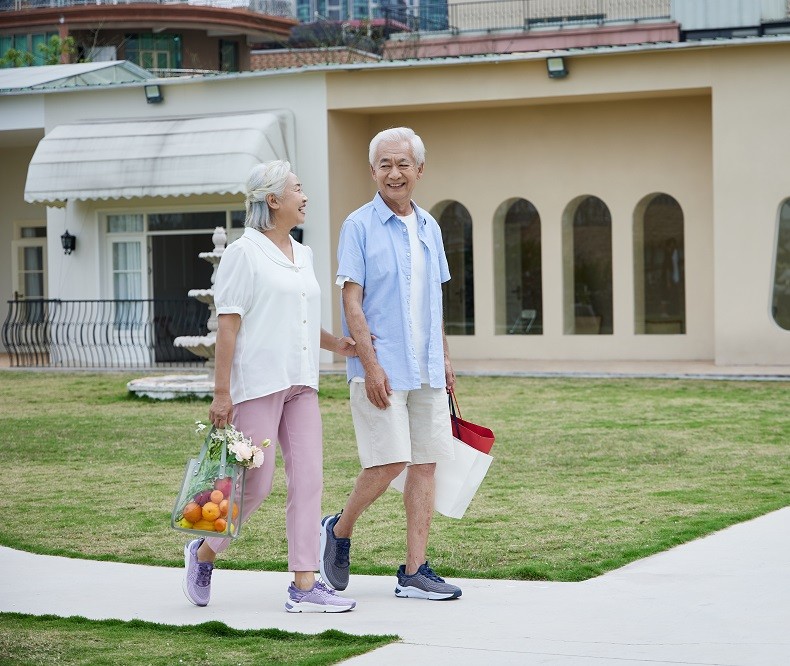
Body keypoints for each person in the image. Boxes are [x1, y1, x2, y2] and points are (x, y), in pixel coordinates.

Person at [182, 160, 357, 613]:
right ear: (273, 200)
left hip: (302, 382)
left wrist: (336, 343)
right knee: (254, 487)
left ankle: (303, 585)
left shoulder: (306, 253)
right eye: (298, 189)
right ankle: (202, 555)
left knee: (309, 481)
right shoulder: (245, 252)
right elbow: (228, 326)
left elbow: (297, 318)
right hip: (258, 384)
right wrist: (222, 394)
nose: (306, 196)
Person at [319, 127, 462, 601]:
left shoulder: (430, 227)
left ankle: (415, 571)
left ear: (420, 170)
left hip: (426, 368)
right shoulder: (358, 225)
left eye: (403, 164)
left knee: (425, 464)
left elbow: (434, 301)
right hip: (380, 367)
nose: (394, 173)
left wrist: (444, 359)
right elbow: (351, 302)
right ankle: (339, 530)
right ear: (373, 171)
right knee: (389, 461)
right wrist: (370, 362)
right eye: (385, 164)